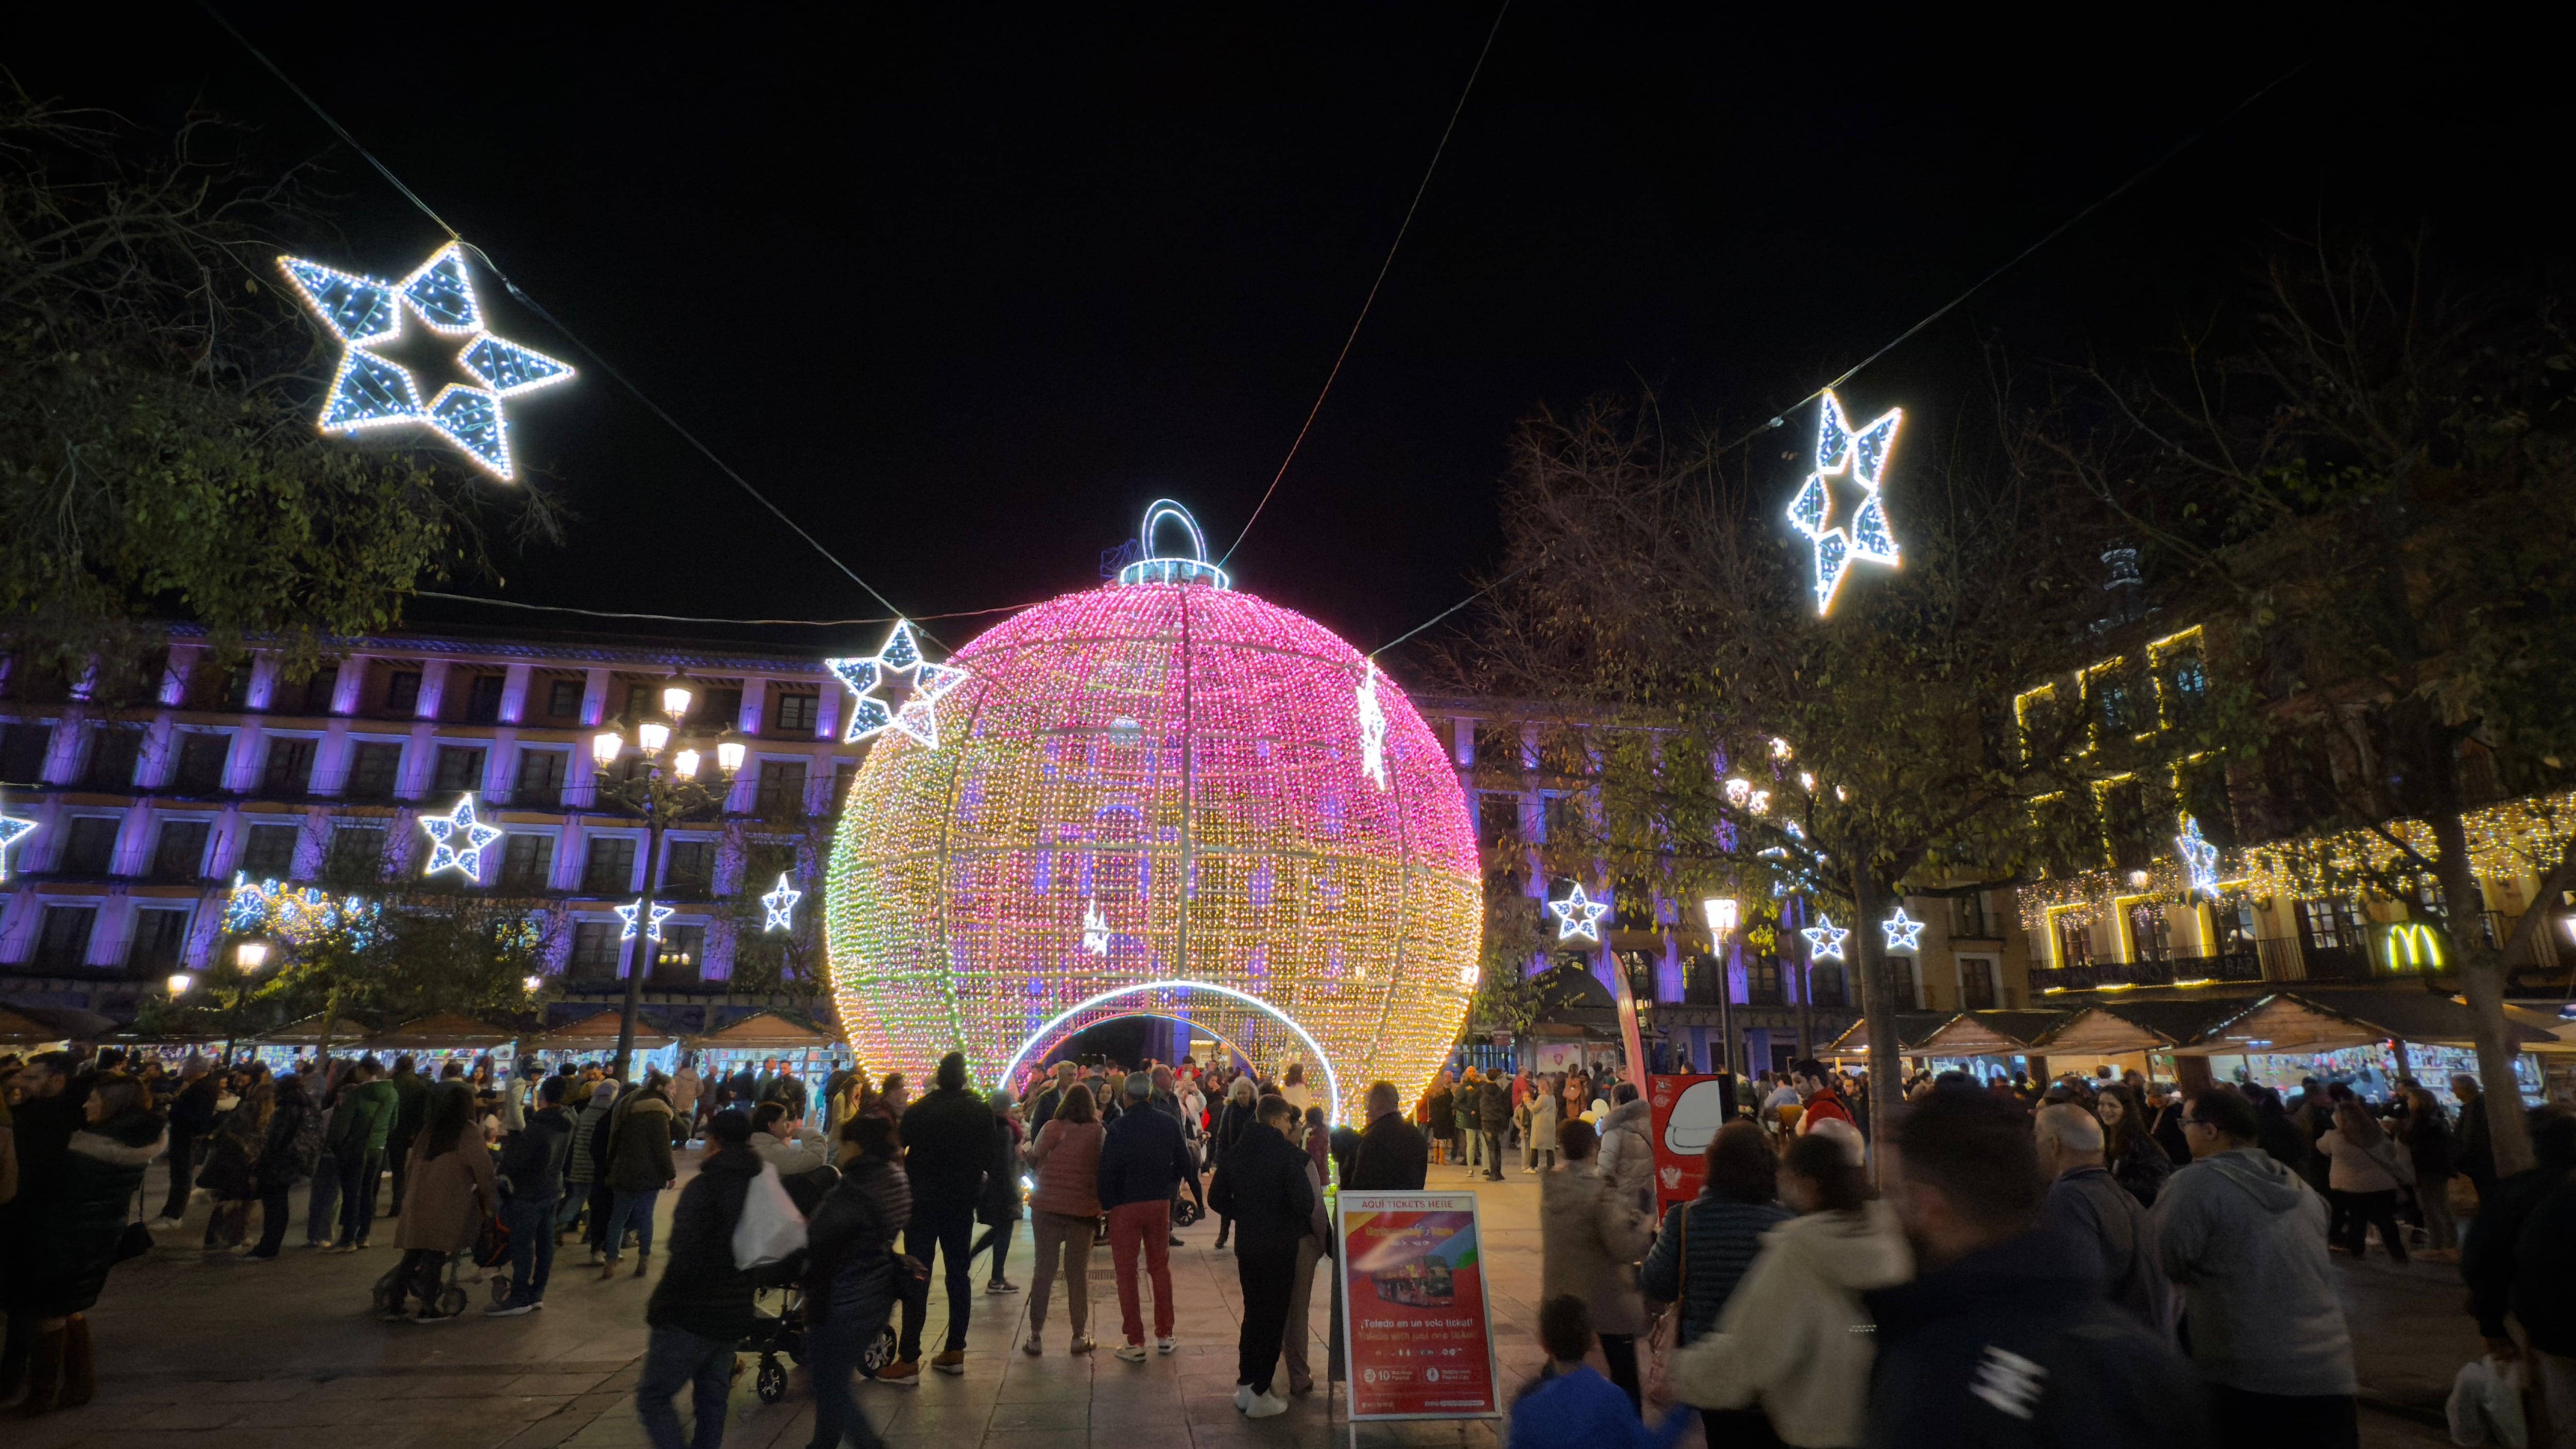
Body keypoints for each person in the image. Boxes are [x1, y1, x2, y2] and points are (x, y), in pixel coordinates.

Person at [1863, 1089, 2207, 1449]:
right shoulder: (2148, 1361)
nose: (1891, 1213)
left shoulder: (1933, 1375)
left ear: (1930, 1206)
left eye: (1897, 1196)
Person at [1668, 1130, 1909, 1448]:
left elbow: (1754, 1352)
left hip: (1821, 1429)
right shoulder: (1888, 1232)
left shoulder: (1800, 1252)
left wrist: (1681, 1375)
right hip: (1887, 1421)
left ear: (1807, 1183)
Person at [2153, 1086, 2355, 1449]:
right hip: (2328, 1366)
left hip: (2246, 1370)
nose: (2184, 1131)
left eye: (2186, 1123)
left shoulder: (2194, 1184)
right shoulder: (2299, 1187)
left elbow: (2163, 1258)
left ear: (2211, 1130)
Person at [6, 1072, 164, 1414]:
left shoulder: (90, 1152)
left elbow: (53, 1194)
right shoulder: (129, 1143)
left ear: (112, 1104)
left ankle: (41, 1396)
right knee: (69, 1308)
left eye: (93, 1099)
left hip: (67, 1241)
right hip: (93, 1241)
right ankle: (79, 1384)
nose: (86, 1104)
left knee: (47, 1315)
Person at [1641, 1121, 1791, 1449]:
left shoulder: (1684, 1220)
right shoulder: (1789, 1225)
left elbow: (1656, 1283)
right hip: (1772, 1371)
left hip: (1712, 1372)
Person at [637, 1110, 763, 1449]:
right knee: (712, 1401)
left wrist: (662, 1305)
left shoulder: (705, 1188)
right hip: (734, 1311)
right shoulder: (761, 1187)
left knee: (653, 1397)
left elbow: (685, 1252)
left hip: (692, 1313)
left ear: (716, 1142)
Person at [2462, 1106, 2576, 1445]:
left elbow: (2482, 1259)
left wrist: (2491, 1321)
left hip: (2549, 1324)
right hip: (2552, 1319)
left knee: (2563, 1412)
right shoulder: (2556, 1195)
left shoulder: (2516, 1191)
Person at [1207, 1093, 1316, 1419]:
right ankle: (1260, 1393)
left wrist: (1244, 1212)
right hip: (1279, 1246)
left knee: (1253, 1314)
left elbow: (1215, 1198)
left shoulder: (1238, 1151)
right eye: (1287, 1120)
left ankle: (1245, 1383)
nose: (1290, 1125)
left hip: (1249, 1245)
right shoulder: (1287, 1155)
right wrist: (1282, 1217)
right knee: (1272, 1319)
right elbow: (1305, 1203)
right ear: (1274, 1120)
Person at [804, 1114, 910, 1449]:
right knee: (832, 1379)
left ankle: (868, 1444)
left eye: (844, 1141)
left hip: (846, 1293)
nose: (838, 1148)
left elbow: (821, 1234)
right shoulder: (894, 1176)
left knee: (828, 1382)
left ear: (857, 1145)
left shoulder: (858, 1186)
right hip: (875, 1290)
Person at [890, 1051, 994, 1381]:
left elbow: (898, 1147)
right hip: (960, 1204)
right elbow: (990, 1156)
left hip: (922, 1203)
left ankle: (908, 1359)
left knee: (917, 1275)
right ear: (963, 1079)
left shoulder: (920, 1110)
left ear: (938, 1077)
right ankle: (955, 1350)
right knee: (958, 1276)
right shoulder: (979, 1110)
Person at [1540, 1117, 1655, 1412]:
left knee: (1561, 1368)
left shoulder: (1552, 1187)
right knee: (1625, 1374)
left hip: (1562, 1295)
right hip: (1604, 1298)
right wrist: (1643, 1227)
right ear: (1594, 1148)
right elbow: (1622, 1248)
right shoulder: (1597, 1192)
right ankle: (1629, 1435)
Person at [2035, 1102, 2173, 1334]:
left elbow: (2074, 1289)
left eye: (2036, 1136)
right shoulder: (2121, 1196)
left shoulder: (2069, 1200)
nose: (2034, 1147)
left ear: (2055, 1145)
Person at [1098, 1070, 1197, 1361]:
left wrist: (1107, 1204)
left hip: (1125, 1206)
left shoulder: (1118, 1127)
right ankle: (1165, 1335)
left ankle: (1136, 1341)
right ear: (1151, 1095)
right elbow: (1184, 1161)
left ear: (1126, 1096)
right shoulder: (1167, 1123)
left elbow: (1107, 1170)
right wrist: (1169, 1186)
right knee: (1160, 1268)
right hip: (1158, 1203)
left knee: (1126, 1273)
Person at [1512, 1295, 1693, 1449]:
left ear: (1544, 1343)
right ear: (1591, 1340)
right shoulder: (1611, 1398)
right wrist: (1682, 1409)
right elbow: (1649, 1444)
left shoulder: (1527, 1407)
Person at [386, 1084, 496, 1323]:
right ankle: (428, 1308)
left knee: (413, 1253)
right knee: (435, 1253)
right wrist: (489, 1198)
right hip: (447, 1200)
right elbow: (483, 1169)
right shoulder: (467, 1131)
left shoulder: (430, 1129)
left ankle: (393, 1303)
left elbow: (410, 1164)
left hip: (417, 1198)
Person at [1022, 1080, 1105, 1354]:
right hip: (1082, 1209)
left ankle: (1035, 1336)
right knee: (1077, 1273)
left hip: (1046, 1206)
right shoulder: (1098, 1132)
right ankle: (1078, 1336)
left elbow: (1035, 1156)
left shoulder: (1052, 1127)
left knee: (1043, 1270)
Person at [488, 1075, 574, 1316]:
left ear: (543, 1096)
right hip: (552, 1188)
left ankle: (519, 1296)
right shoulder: (568, 1121)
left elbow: (517, 1162)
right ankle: (537, 1294)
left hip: (529, 1193)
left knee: (523, 1244)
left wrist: (502, 1168)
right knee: (546, 1244)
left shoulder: (538, 1127)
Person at [2317, 1098, 2410, 1262]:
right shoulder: (2375, 1134)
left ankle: (2357, 1250)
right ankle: (2397, 1252)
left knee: (2356, 1218)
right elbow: (2390, 1153)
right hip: (2381, 1184)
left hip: (2351, 1186)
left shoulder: (2334, 1137)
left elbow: (2322, 1148)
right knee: (2386, 1219)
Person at [603, 1081, 678, 1279]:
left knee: (618, 1218)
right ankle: (643, 1260)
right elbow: (663, 1149)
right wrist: (670, 1174)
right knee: (646, 1217)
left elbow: (614, 1141)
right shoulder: (658, 1114)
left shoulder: (626, 1110)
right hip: (649, 1175)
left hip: (623, 1172)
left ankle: (610, 1262)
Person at [244, 1072, 321, 1261]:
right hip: (295, 1160)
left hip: (279, 1161)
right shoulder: (308, 1107)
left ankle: (268, 1247)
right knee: (279, 1202)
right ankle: (272, 1244)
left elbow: (276, 1139)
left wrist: (262, 1160)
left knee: (274, 1205)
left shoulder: (286, 1109)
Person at [972, 1089, 1025, 1293]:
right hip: (1003, 1190)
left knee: (999, 1230)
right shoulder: (1005, 1130)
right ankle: (997, 1278)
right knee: (1003, 1231)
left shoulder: (986, 1127)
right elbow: (1005, 1166)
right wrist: (1013, 1192)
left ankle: (986, 1270)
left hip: (989, 1188)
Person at [2397, 1084, 2458, 1260]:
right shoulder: (2436, 1118)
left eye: (2410, 1099)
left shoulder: (2425, 1121)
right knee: (2437, 1206)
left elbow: (2416, 1140)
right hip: (2434, 1168)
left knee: (2433, 1207)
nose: (2408, 1102)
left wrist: (2400, 1130)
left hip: (2428, 1168)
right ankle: (2445, 1243)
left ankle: (2442, 1244)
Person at [153, 1061, 217, 1226]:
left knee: (182, 1175)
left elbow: (194, 1114)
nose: (184, 1072)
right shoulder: (202, 1085)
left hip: (188, 1135)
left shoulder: (203, 1088)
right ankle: (171, 1211)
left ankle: (174, 1214)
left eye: (187, 1069)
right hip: (186, 1134)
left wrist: (176, 1105)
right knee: (180, 1174)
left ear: (195, 1070)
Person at [2094, 1083, 2174, 1207]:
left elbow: (2156, 1182)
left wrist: (2115, 1185)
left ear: (2126, 1109)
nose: (2106, 1110)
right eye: (2101, 1104)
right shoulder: (2103, 1137)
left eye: (2112, 1105)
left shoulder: (2138, 1141)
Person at [563, 1079, 616, 1249]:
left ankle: (558, 1227)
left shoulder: (586, 1112)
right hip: (594, 1165)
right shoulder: (607, 1114)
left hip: (579, 1163)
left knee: (576, 1199)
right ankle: (588, 1235)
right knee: (594, 1203)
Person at [1348, 1080, 1428, 1190]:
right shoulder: (1417, 1135)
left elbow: (1359, 1186)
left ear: (1374, 1105)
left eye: (1366, 1102)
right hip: (1409, 1205)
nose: (1365, 1108)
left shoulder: (1371, 1139)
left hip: (1377, 1205)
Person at [1209, 1076, 1257, 1249]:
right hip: (1231, 1159)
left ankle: (1244, 1235)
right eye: (1240, 1093)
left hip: (1251, 1161)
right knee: (1226, 1197)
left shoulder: (1256, 1109)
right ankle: (1223, 1234)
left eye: (1245, 1093)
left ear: (1252, 1093)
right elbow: (1222, 1133)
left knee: (1247, 1199)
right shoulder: (1230, 1109)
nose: (1243, 1096)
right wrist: (1220, 1157)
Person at [1595, 1083, 1654, 1215]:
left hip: (1623, 1202)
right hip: (1647, 1200)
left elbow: (1605, 1170)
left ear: (1618, 1101)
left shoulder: (1614, 1131)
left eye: (1612, 1099)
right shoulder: (1650, 1126)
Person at [383, 1053, 430, 1217]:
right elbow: (422, 1112)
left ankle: (371, 1204)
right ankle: (398, 1203)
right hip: (407, 1132)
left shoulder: (390, 1083)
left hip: (387, 1130)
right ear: (412, 1066)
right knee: (401, 1170)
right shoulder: (420, 1084)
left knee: (380, 1169)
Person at [2452, 1072, 2499, 1207]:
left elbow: (2472, 1137)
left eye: (2455, 1087)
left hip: (2482, 1163)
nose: (2453, 1091)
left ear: (2466, 1088)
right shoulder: (2470, 1108)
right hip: (2477, 1163)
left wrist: (2462, 1157)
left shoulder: (2478, 1109)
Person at [1792, 1059, 1853, 1133]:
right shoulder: (1833, 1102)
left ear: (1815, 1081)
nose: (1794, 1088)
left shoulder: (1821, 1109)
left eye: (1798, 1082)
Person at [1478, 1070, 1511, 1183]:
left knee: (1491, 1148)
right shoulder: (1499, 1090)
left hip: (1487, 1121)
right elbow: (1504, 1105)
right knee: (1497, 1146)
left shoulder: (1482, 1089)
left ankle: (1493, 1174)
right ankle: (1498, 1172)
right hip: (1498, 1121)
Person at [1528, 1075, 1563, 1173]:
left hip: (1540, 1124)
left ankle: (1533, 1166)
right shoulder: (1552, 1098)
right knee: (1549, 1147)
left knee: (1535, 1145)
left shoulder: (1542, 1098)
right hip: (1550, 1123)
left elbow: (1534, 1110)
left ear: (1542, 1088)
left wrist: (1528, 1103)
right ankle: (1551, 1165)